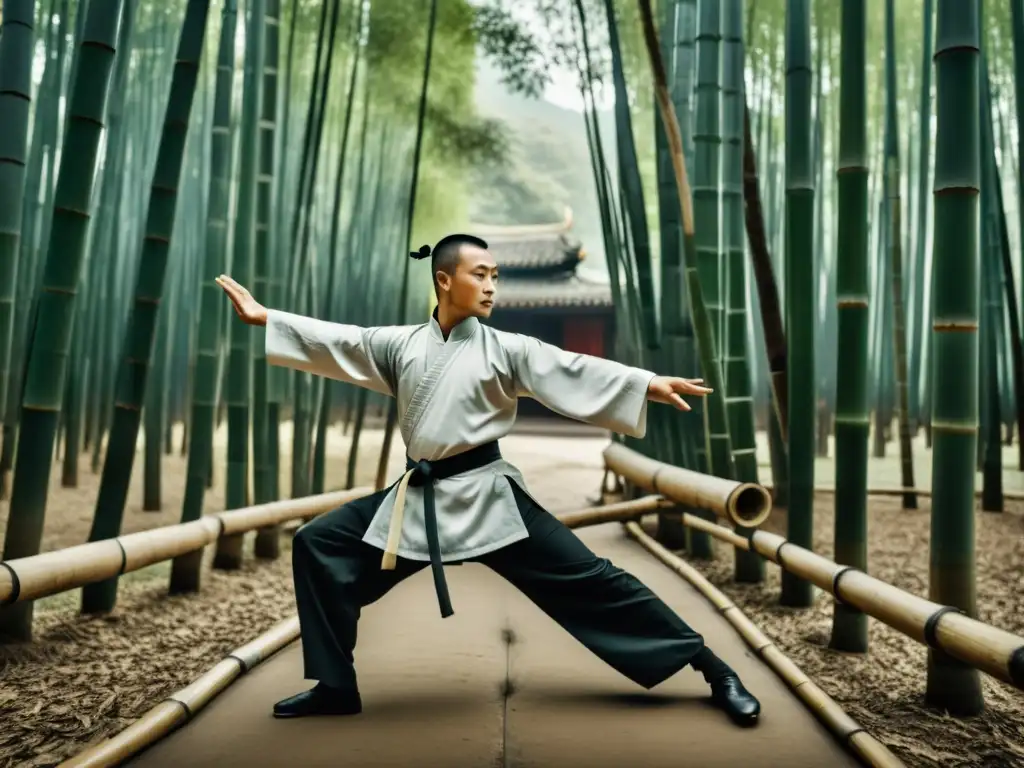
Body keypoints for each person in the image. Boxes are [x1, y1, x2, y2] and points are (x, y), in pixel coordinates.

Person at [215, 233, 761, 727]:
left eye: (496, 275)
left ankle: (716, 671)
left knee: (598, 582)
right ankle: (334, 685)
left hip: (490, 499)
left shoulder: (507, 348)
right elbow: (344, 341)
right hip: (420, 500)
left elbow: (571, 367)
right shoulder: (401, 345)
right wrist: (270, 319)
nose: (492, 285)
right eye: (480, 273)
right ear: (444, 280)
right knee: (319, 543)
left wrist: (643, 383)